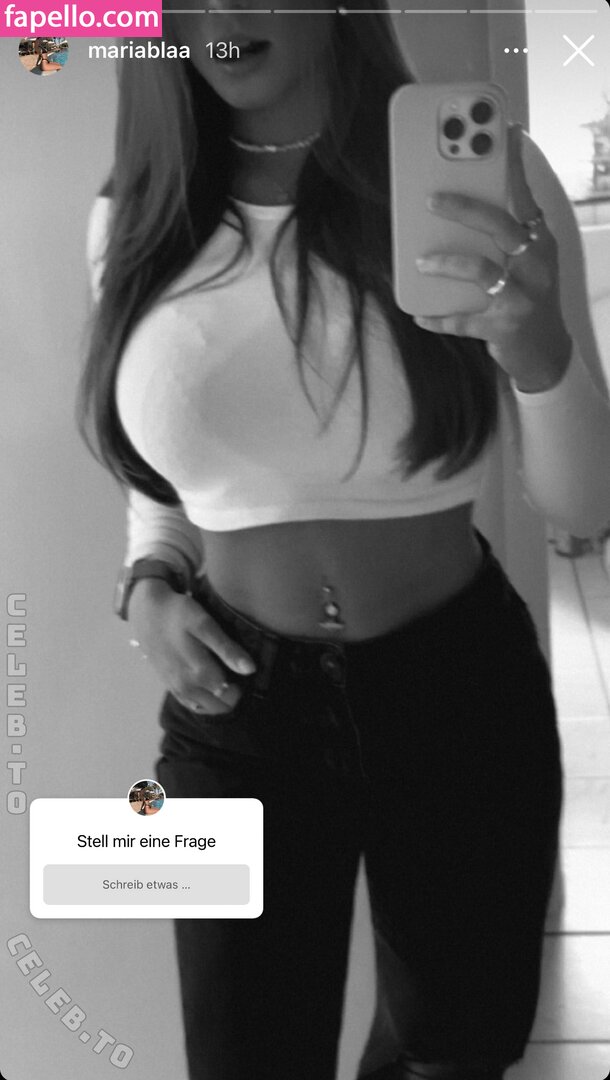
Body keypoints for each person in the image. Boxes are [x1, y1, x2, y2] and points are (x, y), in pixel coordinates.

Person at [80, 3, 610, 1078]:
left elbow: (585, 506)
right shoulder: (134, 214)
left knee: (454, 1046)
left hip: (458, 687)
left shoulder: (497, 179)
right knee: (244, 1058)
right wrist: (149, 576)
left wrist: (541, 350)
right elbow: (161, 474)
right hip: (233, 715)